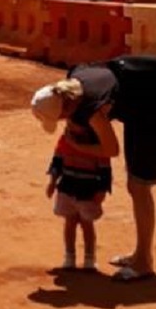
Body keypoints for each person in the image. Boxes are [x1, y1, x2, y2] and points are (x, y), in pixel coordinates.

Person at [31, 57, 156, 281]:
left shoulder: (91, 109)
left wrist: (76, 145)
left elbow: (110, 150)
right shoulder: (75, 76)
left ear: (64, 110)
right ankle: (139, 254)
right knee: (135, 186)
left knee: (139, 187)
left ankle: (144, 263)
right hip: (138, 119)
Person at [32, 80, 115, 270]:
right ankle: (69, 257)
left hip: (88, 190)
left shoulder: (96, 144)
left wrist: (102, 190)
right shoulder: (66, 140)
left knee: (87, 225)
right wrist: (52, 181)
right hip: (67, 187)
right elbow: (58, 160)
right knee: (70, 223)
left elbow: (105, 169)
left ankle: (89, 259)